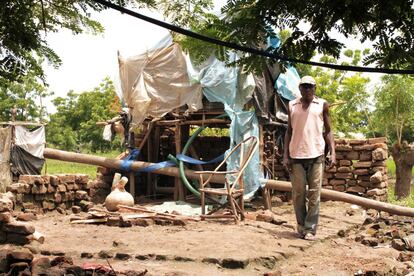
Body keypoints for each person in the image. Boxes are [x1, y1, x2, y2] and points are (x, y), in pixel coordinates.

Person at [283, 75, 336, 241]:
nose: (307, 89)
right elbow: (289, 131)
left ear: (315, 89)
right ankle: (301, 226)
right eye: (304, 86)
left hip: (316, 155)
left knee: (314, 194)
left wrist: (332, 152)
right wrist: (285, 155)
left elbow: (328, 131)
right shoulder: (292, 105)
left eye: (310, 86)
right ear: (299, 89)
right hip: (296, 156)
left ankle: (310, 229)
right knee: (298, 193)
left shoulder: (322, 105)